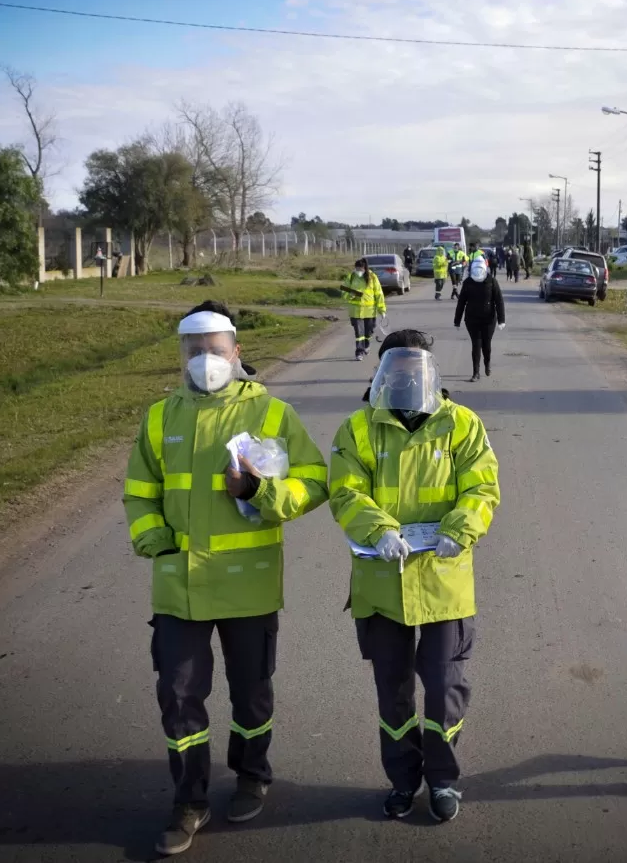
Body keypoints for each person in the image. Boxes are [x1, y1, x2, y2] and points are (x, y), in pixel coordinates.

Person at [122, 301, 330, 856]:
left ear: (237, 352)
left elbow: (313, 483)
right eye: (194, 350)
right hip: (180, 586)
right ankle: (188, 799)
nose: (205, 360)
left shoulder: (272, 413)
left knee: (251, 692)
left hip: (249, 584)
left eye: (215, 349)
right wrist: (153, 539)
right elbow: (139, 491)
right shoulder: (159, 416)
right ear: (180, 354)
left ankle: (252, 775)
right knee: (178, 693)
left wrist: (259, 492)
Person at [327, 329, 501, 824]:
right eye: (395, 368)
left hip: (444, 581)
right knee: (393, 689)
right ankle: (402, 781)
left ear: (429, 371)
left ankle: (444, 780)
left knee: (445, 684)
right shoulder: (358, 428)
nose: (405, 377)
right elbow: (345, 492)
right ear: (381, 372)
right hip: (383, 584)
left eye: (413, 368)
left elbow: (482, 488)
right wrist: (377, 529)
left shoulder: (461, 425)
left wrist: (460, 527)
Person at [453, 254, 505, 382]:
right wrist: (457, 320)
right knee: (476, 345)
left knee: (486, 345)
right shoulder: (468, 282)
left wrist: (501, 320)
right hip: (472, 320)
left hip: (489, 320)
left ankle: (487, 364)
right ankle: (476, 373)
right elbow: (461, 302)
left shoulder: (492, 282)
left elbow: (499, 301)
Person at [340, 257, 386, 362]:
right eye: (356, 269)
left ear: (364, 268)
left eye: (360, 270)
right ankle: (359, 352)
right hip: (355, 311)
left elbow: (378, 293)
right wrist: (349, 295)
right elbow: (344, 290)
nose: (358, 272)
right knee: (358, 333)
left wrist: (382, 309)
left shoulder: (372, 277)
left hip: (369, 311)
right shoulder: (351, 277)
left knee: (368, 332)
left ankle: (367, 345)